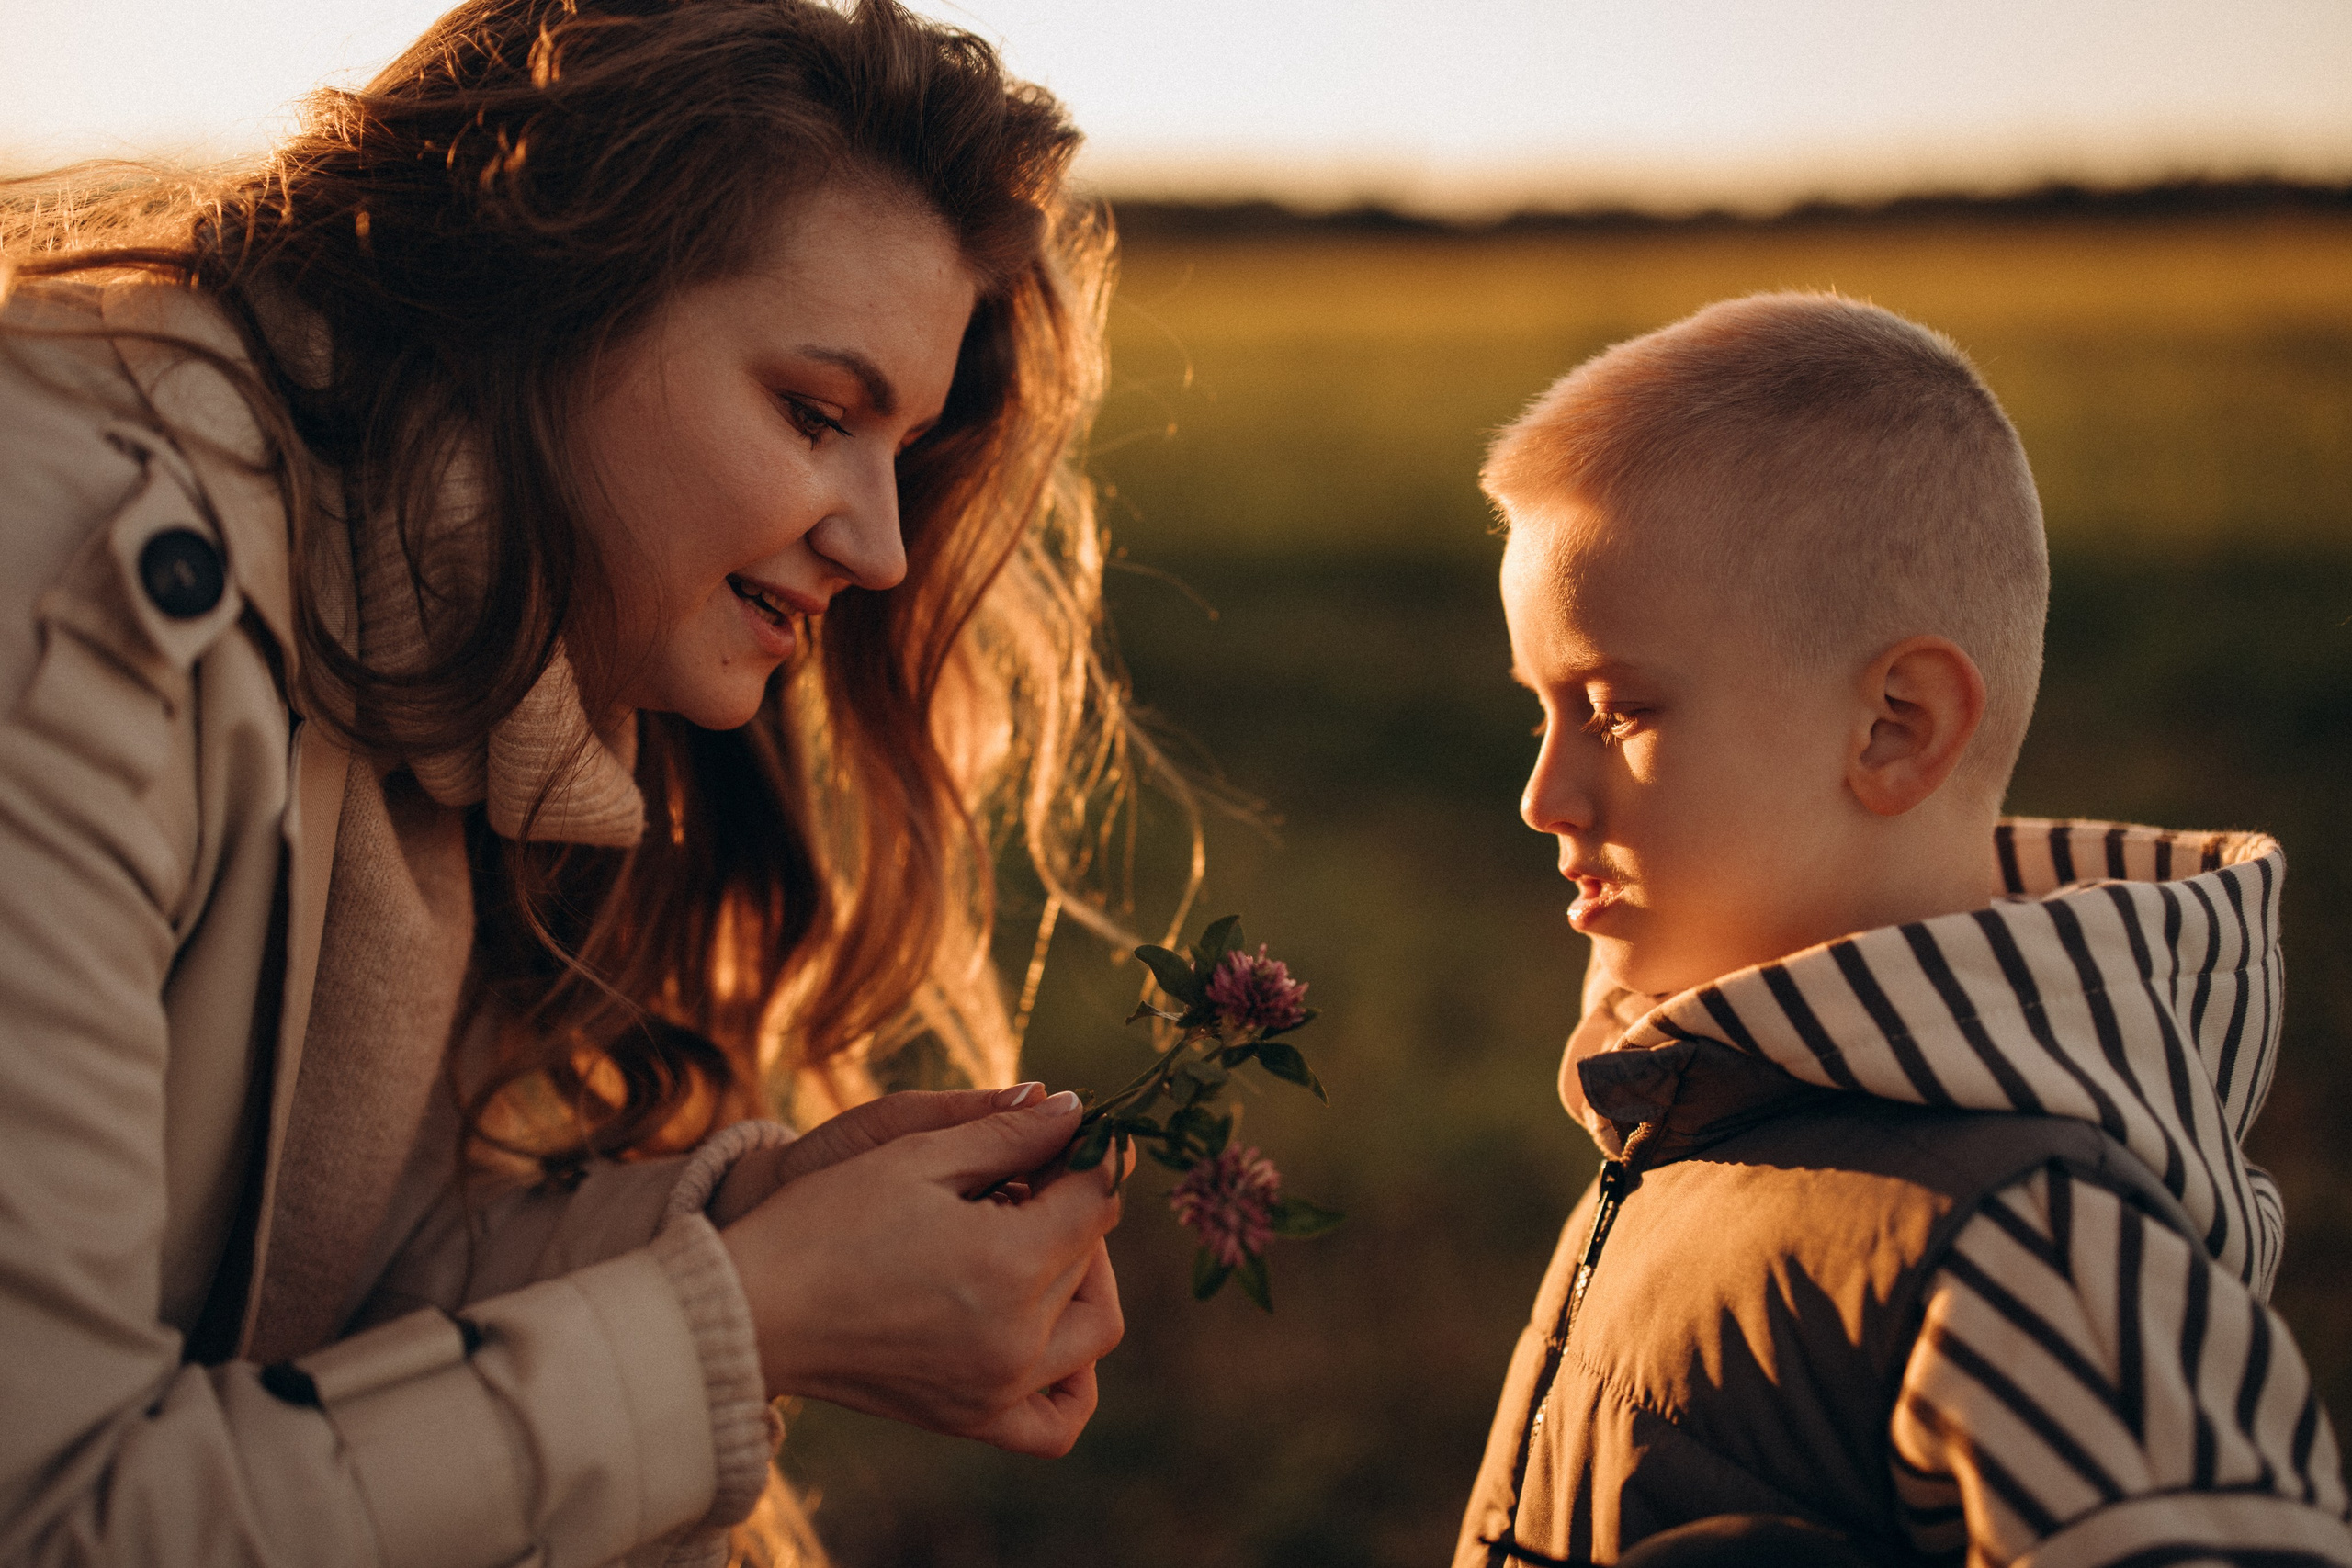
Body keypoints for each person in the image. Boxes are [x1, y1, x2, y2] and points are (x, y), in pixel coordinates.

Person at [0, 2, 1145, 1563]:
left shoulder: (424, 641)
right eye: (817, 414)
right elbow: (54, 1517)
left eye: (901, 447)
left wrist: (751, 1229)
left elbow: (299, 1312)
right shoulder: (83, 584)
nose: (880, 550)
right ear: (544, 293)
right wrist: (749, 1320)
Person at [1455, 292, 2352, 1566]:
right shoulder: (1712, 1101)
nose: (1544, 795)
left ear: (1898, 726)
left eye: (1615, 710)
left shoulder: (2035, 1249)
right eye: (1537, 714)